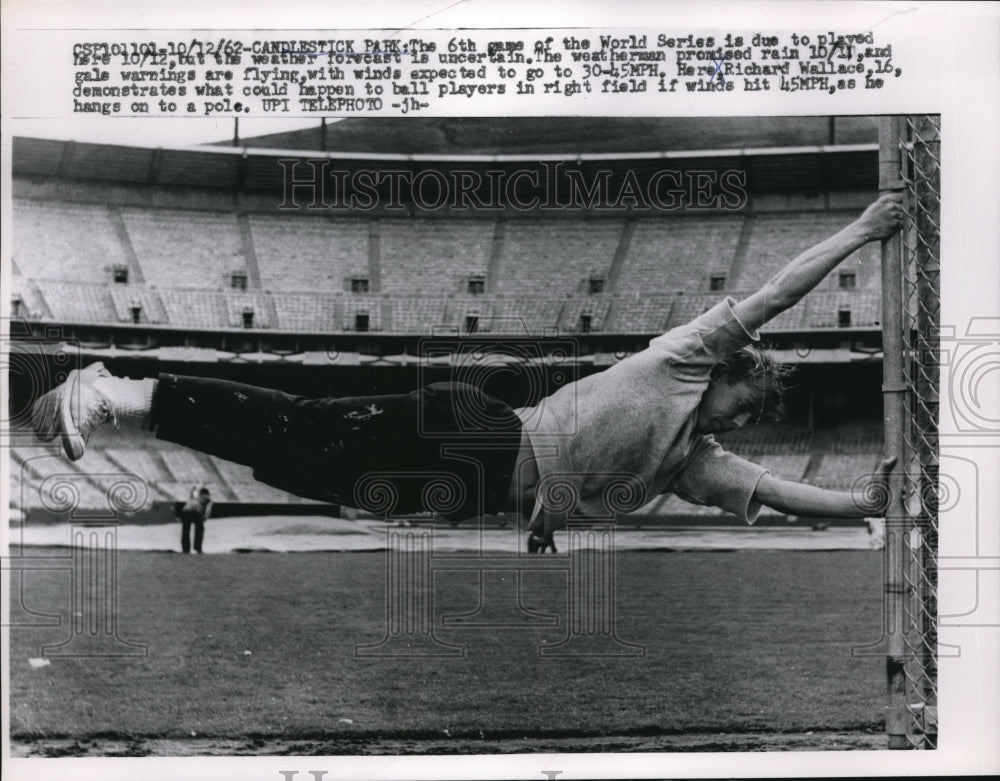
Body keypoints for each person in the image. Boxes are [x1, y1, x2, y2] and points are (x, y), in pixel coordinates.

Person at [31, 195, 904, 552]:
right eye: (749, 396)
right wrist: (861, 233)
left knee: (296, 464)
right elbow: (778, 292)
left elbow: (782, 494)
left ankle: (132, 414)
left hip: (467, 487)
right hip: (475, 435)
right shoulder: (684, 358)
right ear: (728, 368)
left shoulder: (691, 459)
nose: (746, 419)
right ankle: (121, 390)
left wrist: (865, 504)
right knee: (303, 424)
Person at [178, 486, 212, 554]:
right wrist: (205, 518)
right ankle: (198, 548)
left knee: (186, 530)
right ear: (207, 493)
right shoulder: (208, 498)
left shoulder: (195, 497)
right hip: (195, 512)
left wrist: (192, 490)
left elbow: (191, 496)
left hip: (185, 511)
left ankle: (186, 549)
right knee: (199, 529)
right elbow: (208, 509)